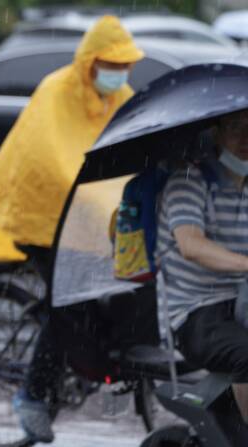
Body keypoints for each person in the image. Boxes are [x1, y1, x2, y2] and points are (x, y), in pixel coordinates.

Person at [0, 16, 144, 443]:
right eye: (111, 63)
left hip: (90, 220)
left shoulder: (121, 97)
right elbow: (52, 161)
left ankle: (95, 363)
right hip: (38, 218)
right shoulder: (55, 91)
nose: (121, 72)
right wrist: (95, 191)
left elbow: (137, 145)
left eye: (125, 64)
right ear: (90, 61)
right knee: (70, 303)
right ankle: (32, 393)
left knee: (129, 286)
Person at [157, 109, 248, 425]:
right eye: (237, 127)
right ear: (217, 132)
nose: (245, 137)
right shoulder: (188, 180)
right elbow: (191, 245)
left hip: (241, 302)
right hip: (195, 311)